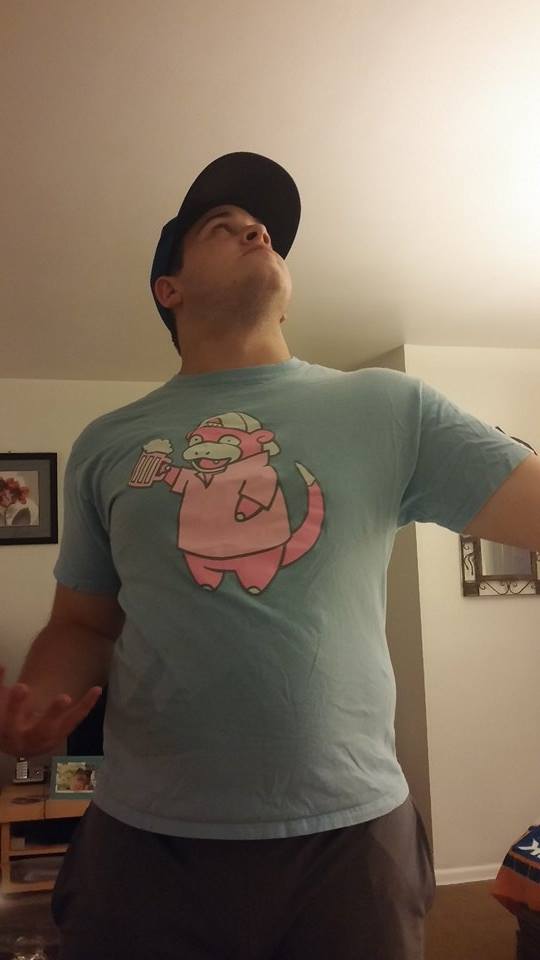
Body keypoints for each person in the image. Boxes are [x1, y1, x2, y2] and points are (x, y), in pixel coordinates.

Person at [1, 151, 539, 960]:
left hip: (349, 839)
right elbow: (82, 622)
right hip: (146, 839)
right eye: (222, 227)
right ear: (169, 289)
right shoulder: (108, 443)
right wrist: (38, 702)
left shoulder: (387, 406)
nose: (257, 232)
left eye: (265, 231)